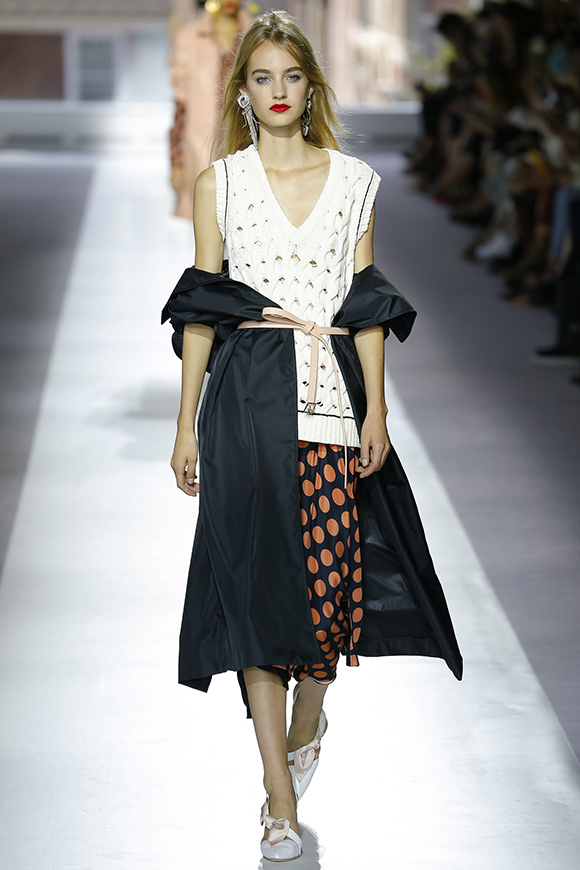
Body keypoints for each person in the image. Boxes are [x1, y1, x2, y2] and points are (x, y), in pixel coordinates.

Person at [162, 11, 462, 863]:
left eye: (291, 76)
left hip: (330, 399)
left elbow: (364, 305)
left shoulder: (356, 182)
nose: (278, 92)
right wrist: (186, 422)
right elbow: (201, 309)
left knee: (331, 594)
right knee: (254, 594)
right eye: (261, 78)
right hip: (244, 402)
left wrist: (377, 410)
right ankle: (278, 798)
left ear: (311, 86)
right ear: (242, 91)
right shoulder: (220, 185)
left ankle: (308, 720)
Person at [169, 0, 253, 218]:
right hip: (200, 145)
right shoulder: (189, 37)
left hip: (247, 142)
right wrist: (176, 161)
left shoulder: (256, 35)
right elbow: (181, 105)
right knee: (206, 219)